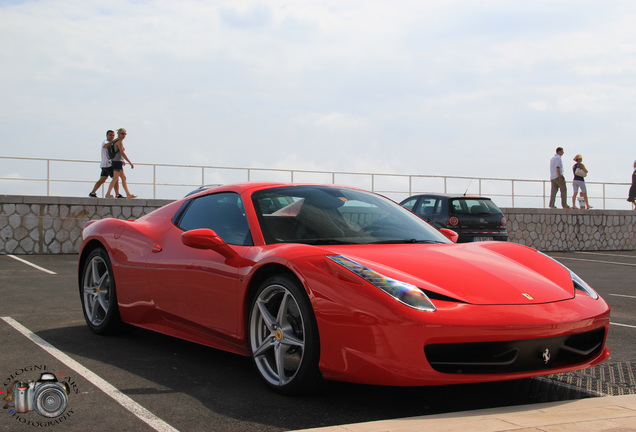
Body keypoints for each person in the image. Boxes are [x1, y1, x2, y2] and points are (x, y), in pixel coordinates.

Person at [88, 130, 122, 198]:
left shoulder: (112, 143)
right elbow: (106, 146)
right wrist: (115, 140)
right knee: (115, 179)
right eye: (110, 135)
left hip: (105, 164)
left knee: (102, 179)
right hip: (107, 164)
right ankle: (117, 194)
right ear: (107, 135)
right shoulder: (105, 142)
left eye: (113, 135)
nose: (111, 136)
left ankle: (92, 192)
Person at [105, 128, 137, 198]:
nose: (124, 135)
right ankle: (108, 194)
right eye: (122, 133)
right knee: (115, 179)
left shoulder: (116, 141)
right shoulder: (119, 142)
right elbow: (122, 153)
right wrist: (130, 162)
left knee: (123, 178)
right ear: (119, 134)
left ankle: (128, 194)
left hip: (118, 161)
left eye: (125, 134)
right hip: (117, 162)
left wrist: (123, 161)